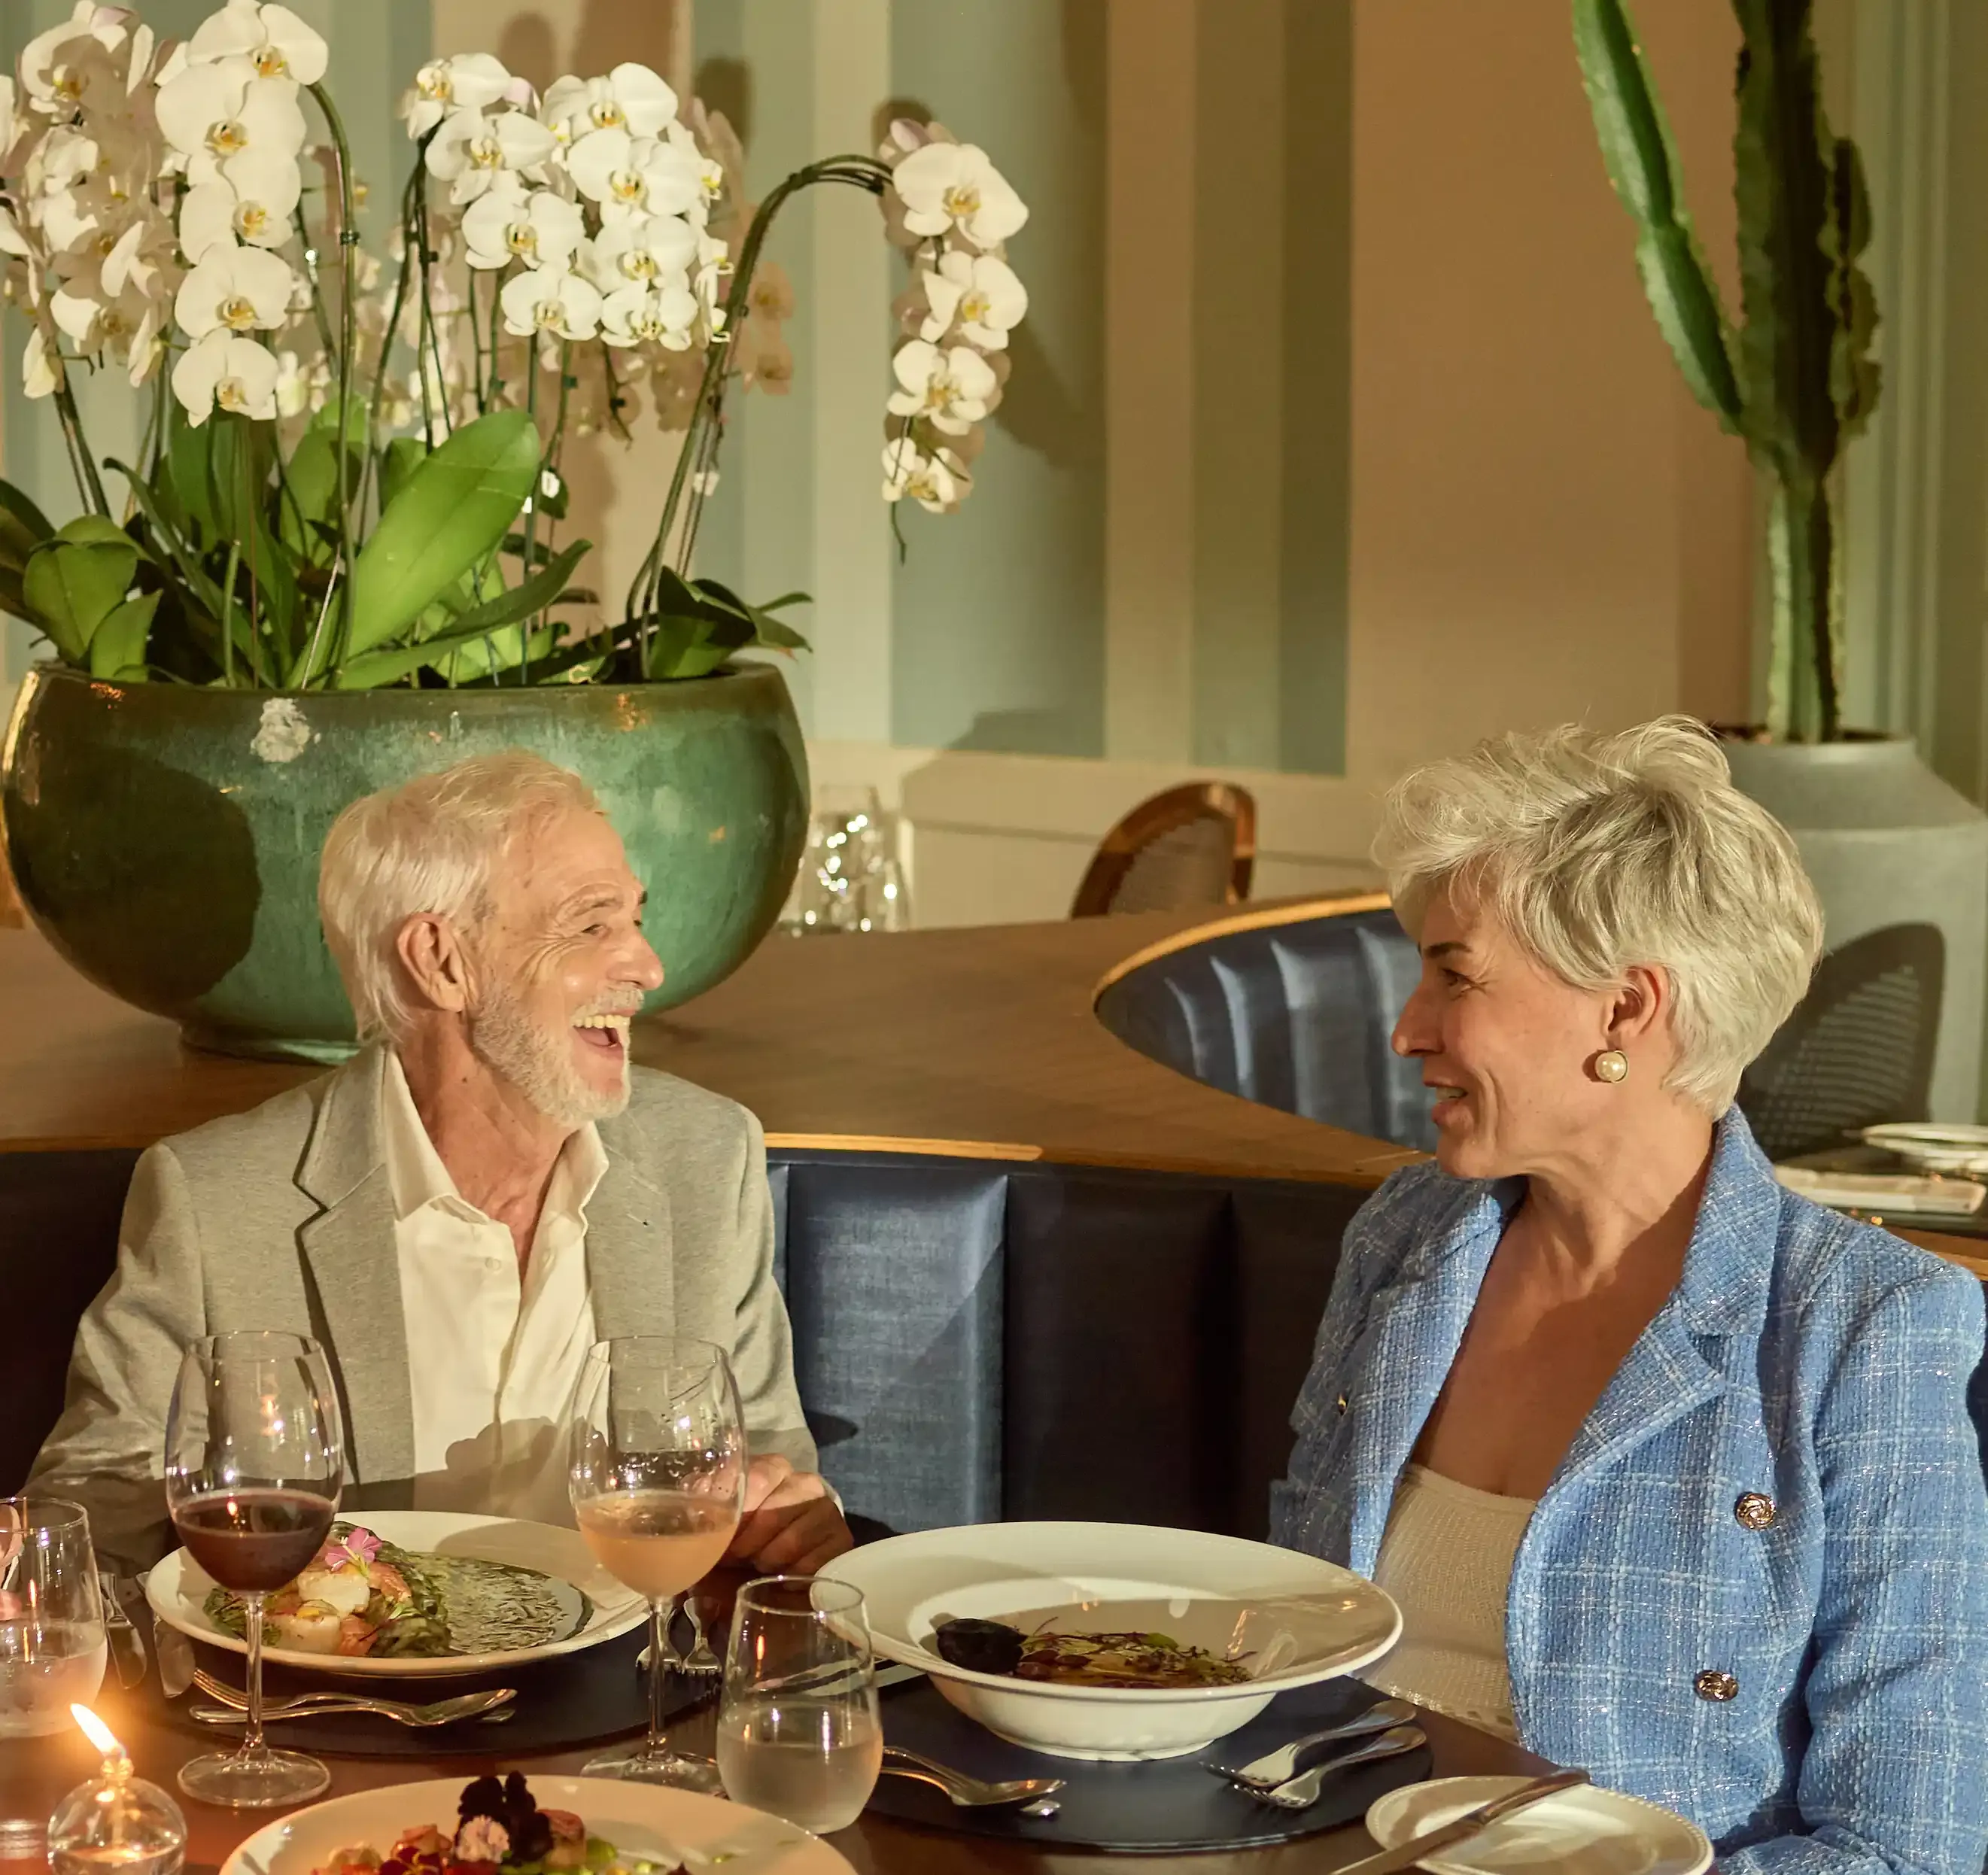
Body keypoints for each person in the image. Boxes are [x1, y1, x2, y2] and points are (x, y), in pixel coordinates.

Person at [1271, 718, 1988, 1874]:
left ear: (1624, 1011)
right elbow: (1294, 1659)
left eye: (1453, 974)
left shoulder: (1864, 1329)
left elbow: (1912, 1847)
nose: (1408, 1029)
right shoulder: (1403, 1240)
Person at [32, 750, 851, 1579]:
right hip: (338, 1698)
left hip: (636, 1687)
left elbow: (769, 1462)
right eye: (592, 924)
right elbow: (98, 1523)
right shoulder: (216, 1200)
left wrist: (791, 1522)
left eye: (637, 918)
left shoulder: (706, 1157)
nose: (647, 966)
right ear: (441, 960)